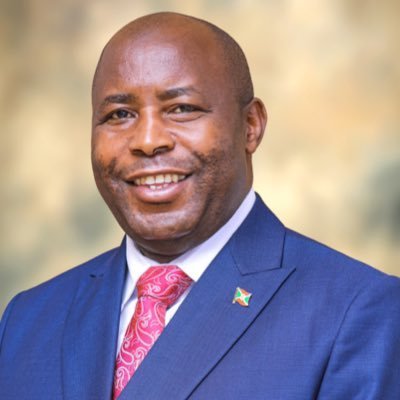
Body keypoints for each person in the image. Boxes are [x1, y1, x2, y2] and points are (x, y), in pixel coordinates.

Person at [0, 12, 399, 400]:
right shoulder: (27, 320)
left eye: (182, 109)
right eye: (120, 114)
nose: (148, 140)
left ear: (251, 125)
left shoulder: (358, 312)